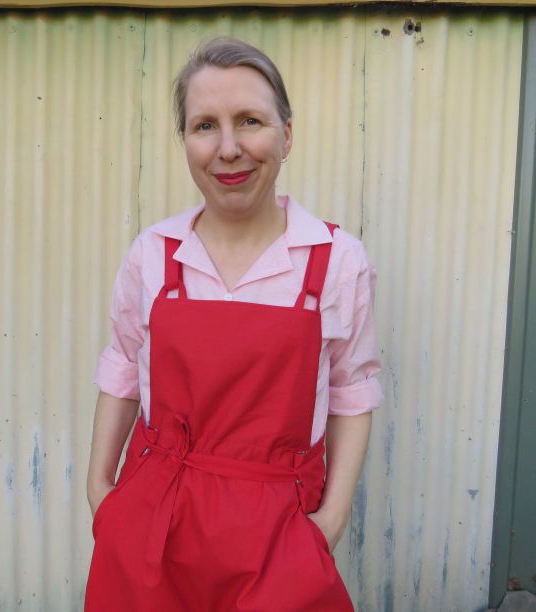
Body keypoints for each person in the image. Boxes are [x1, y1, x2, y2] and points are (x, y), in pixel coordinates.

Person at [84, 37, 382, 612]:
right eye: (204, 125)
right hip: (152, 527)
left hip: (279, 537)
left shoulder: (335, 261)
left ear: (286, 134)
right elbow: (121, 366)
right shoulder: (155, 255)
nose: (228, 148)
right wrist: (101, 493)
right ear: (185, 141)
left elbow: (352, 388)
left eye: (250, 121)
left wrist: (331, 518)